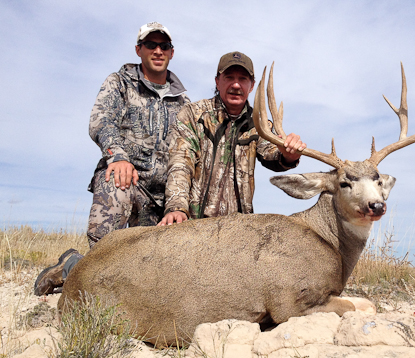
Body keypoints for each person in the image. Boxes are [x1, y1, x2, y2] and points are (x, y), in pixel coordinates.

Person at [34, 22, 190, 296]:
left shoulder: (183, 102)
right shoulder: (119, 83)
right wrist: (117, 156)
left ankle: (73, 265)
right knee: (107, 265)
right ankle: (76, 267)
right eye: (150, 45)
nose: (157, 50)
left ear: (172, 52)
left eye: (163, 46)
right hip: (125, 181)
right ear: (138, 49)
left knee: (154, 278)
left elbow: (187, 151)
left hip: (161, 199)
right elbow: (100, 121)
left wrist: (178, 203)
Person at [158, 51, 306, 225]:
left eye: (243, 79)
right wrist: (176, 207)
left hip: (238, 230)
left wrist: (289, 154)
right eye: (229, 77)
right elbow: (180, 164)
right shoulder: (193, 114)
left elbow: (273, 154)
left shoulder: (259, 125)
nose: (236, 85)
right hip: (194, 224)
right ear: (217, 81)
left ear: (251, 86)